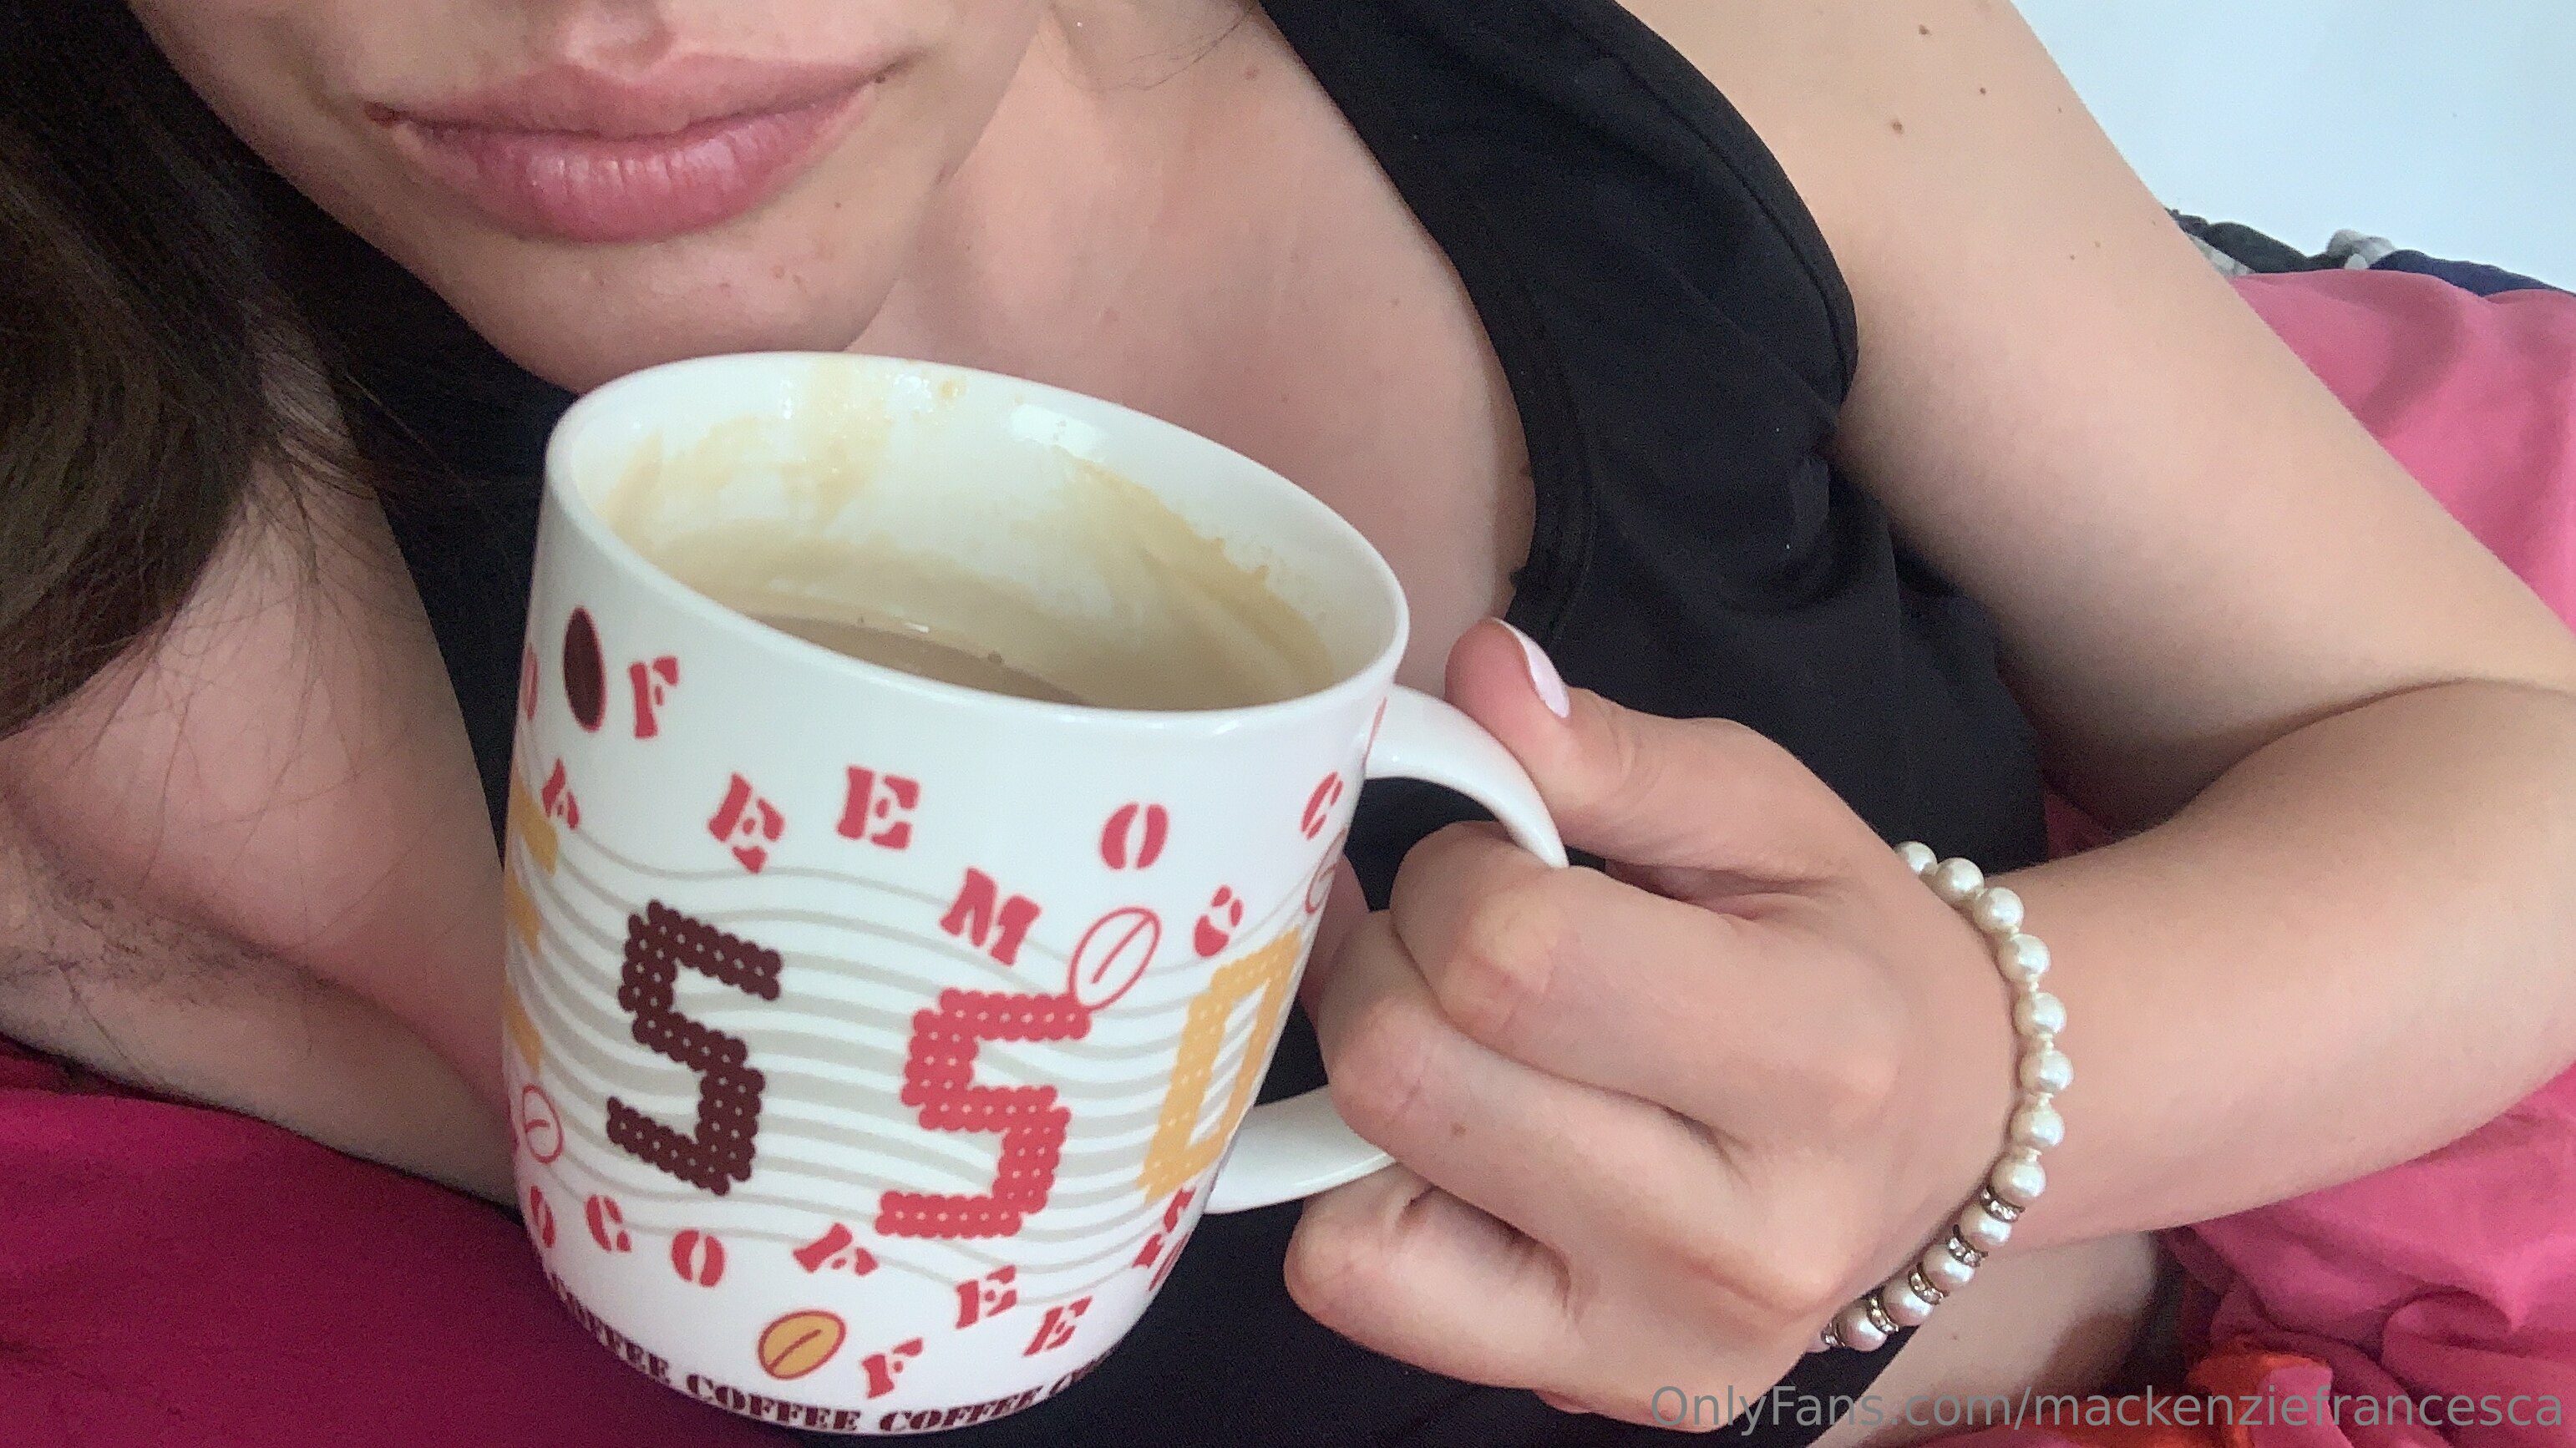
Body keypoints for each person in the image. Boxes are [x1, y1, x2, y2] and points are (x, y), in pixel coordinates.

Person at [4, 2, 2573, 1444]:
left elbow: (2497, 754)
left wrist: (1980, 1079)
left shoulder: (1687, 58)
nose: (614, 27)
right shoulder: (91, 470)